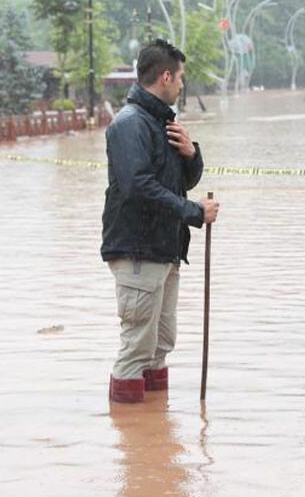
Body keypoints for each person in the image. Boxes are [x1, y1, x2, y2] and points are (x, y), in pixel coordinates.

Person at [102, 39, 220, 404]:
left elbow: (181, 183)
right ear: (165, 76)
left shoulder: (162, 123)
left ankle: (156, 440)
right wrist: (193, 213)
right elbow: (138, 186)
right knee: (138, 344)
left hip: (165, 249)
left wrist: (191, 154)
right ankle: (132, 448)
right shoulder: (130, 125)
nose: (183, 85)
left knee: (161, 342)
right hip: (138, 249)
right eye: (181, 77)